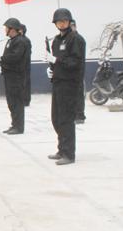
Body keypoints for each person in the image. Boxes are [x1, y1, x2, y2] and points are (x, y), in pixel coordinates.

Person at [45, 9, 86, 165]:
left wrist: (56, 61)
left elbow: (75, 63)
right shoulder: (56, 40)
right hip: (58, 83)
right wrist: (51, 69)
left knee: (66, 119)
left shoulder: (75, 39)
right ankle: (61, 149)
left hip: (70, 84)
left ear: (69, 22)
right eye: (59, 21)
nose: (62, 24)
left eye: (64, 21)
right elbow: (55, 61)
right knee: (56, 118)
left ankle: (69, 154)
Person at [0, 18, 27, 135]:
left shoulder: (20, 41)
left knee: (17, 102)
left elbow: (15, 57)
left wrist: (2, 59)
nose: (5, 30)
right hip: (9, 75)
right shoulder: (11, 41)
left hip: (16, 76)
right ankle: (14, 124)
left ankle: (19, 127)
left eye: (7, 28)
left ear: (12, 29)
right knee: (11, 102)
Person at [70, 20, 87, 124]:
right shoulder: (69, 39)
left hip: (77, 72)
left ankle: (80, 115)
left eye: (72, 26)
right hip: (70, 73)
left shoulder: (78, 39)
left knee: (78, 93)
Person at [20, 24, 33, 107]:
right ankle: (22, 99)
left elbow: (28, 54)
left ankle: (26, 100)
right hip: (20, 66)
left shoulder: (26, 40)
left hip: (25, 65)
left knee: (26, 82)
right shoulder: (18, 40)